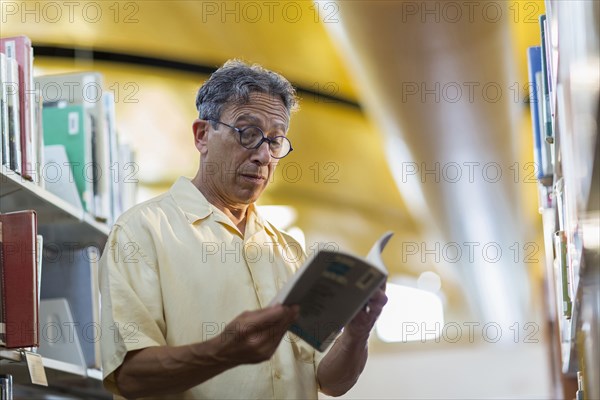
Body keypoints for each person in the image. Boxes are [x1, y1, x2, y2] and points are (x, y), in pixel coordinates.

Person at [99, 59, 388, 399]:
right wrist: (223, 351)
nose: (264, 155)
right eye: (248, 134)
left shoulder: (288, 250)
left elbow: (331, 381)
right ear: (203, 135)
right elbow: (131, 376)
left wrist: (357, 333)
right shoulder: (140, 232)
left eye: (276, 141)